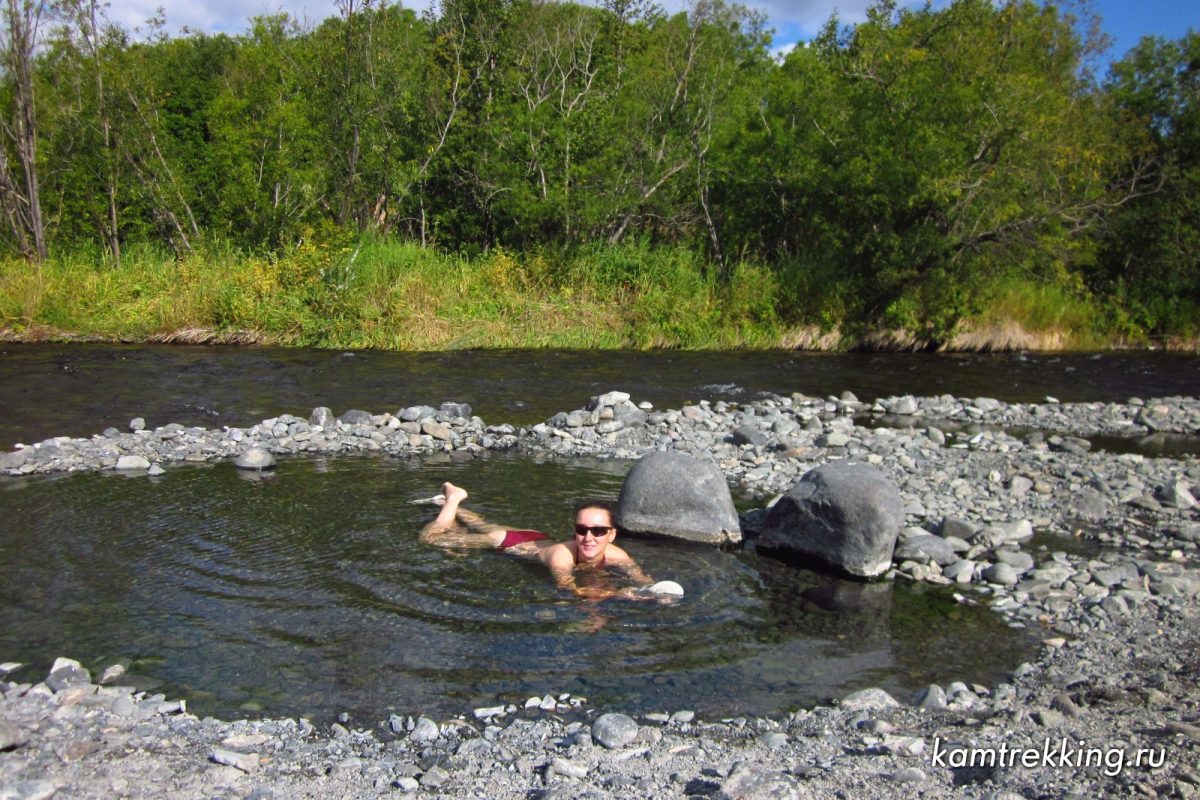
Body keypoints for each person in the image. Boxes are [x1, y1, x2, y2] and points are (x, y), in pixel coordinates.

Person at [419, 482, 654, 600]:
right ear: (575, 530)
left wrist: (655, 593)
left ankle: (451, 504)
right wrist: (618, 594)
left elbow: (643, 581)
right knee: (430, 539)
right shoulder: (562, 556)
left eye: (599, 531)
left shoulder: (618, 555)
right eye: (582, 530)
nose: (589, 538)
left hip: (537, 538)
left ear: (612, 534)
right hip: (508, 543)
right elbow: (568, 587)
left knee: (481, 523)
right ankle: (453, 500)